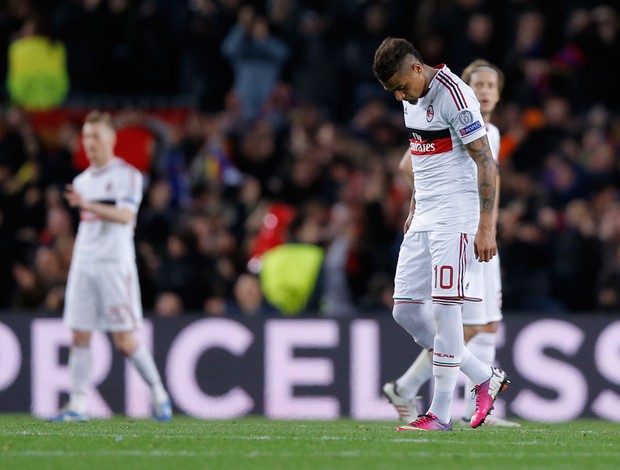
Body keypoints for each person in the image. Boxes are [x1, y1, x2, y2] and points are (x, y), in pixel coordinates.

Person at [372, 38, 509, 431]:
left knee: (448, 307)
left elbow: (486, 163)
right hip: (426, 211)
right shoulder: (409, 96)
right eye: (394, 91)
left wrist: (485, 225)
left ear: (417, 69)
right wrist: (415, 202)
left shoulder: (455, 95)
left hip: (457, 213)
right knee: (405, 310)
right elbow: (419, 153)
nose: (400, 95)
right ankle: (483, 374)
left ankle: (440, 413)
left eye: (401, 86)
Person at [50, 111, 171, 422]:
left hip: (114, 265)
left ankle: (159, 393)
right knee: (79, 334)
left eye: (96, 137)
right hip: (84, 263)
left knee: (124, 340)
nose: (89, 144)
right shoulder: (82, 180)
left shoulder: (127, 176)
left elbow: (126, 216)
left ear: (111, 139)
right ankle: (78, 405)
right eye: (86, 137)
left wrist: (88, 205)